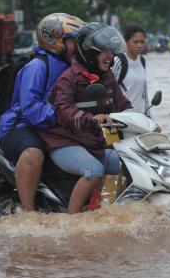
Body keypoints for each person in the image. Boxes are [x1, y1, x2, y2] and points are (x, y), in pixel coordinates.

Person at [37, 22, 132, 214]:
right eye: (105, 51)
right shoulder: (68, 79)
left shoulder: (108, 78)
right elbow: (64, 111)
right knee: (94, 170)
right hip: (66, 142)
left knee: (131, 163)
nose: (110, 57)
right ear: (89, 52)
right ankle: (73, 221)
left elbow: (123, 105)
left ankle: (113, 209)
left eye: (112, 52)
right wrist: (91, 119)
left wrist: (146, 122)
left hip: (96, 140)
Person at [0, 13, 84, 212]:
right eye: (74, 42)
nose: (79, 48)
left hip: (54, 126)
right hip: (20, 126)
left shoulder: (75, 68)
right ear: (56, 41)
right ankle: (29, 212)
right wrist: (66, 115)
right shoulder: (37, 67)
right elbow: (31, 109)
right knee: (33, 153)